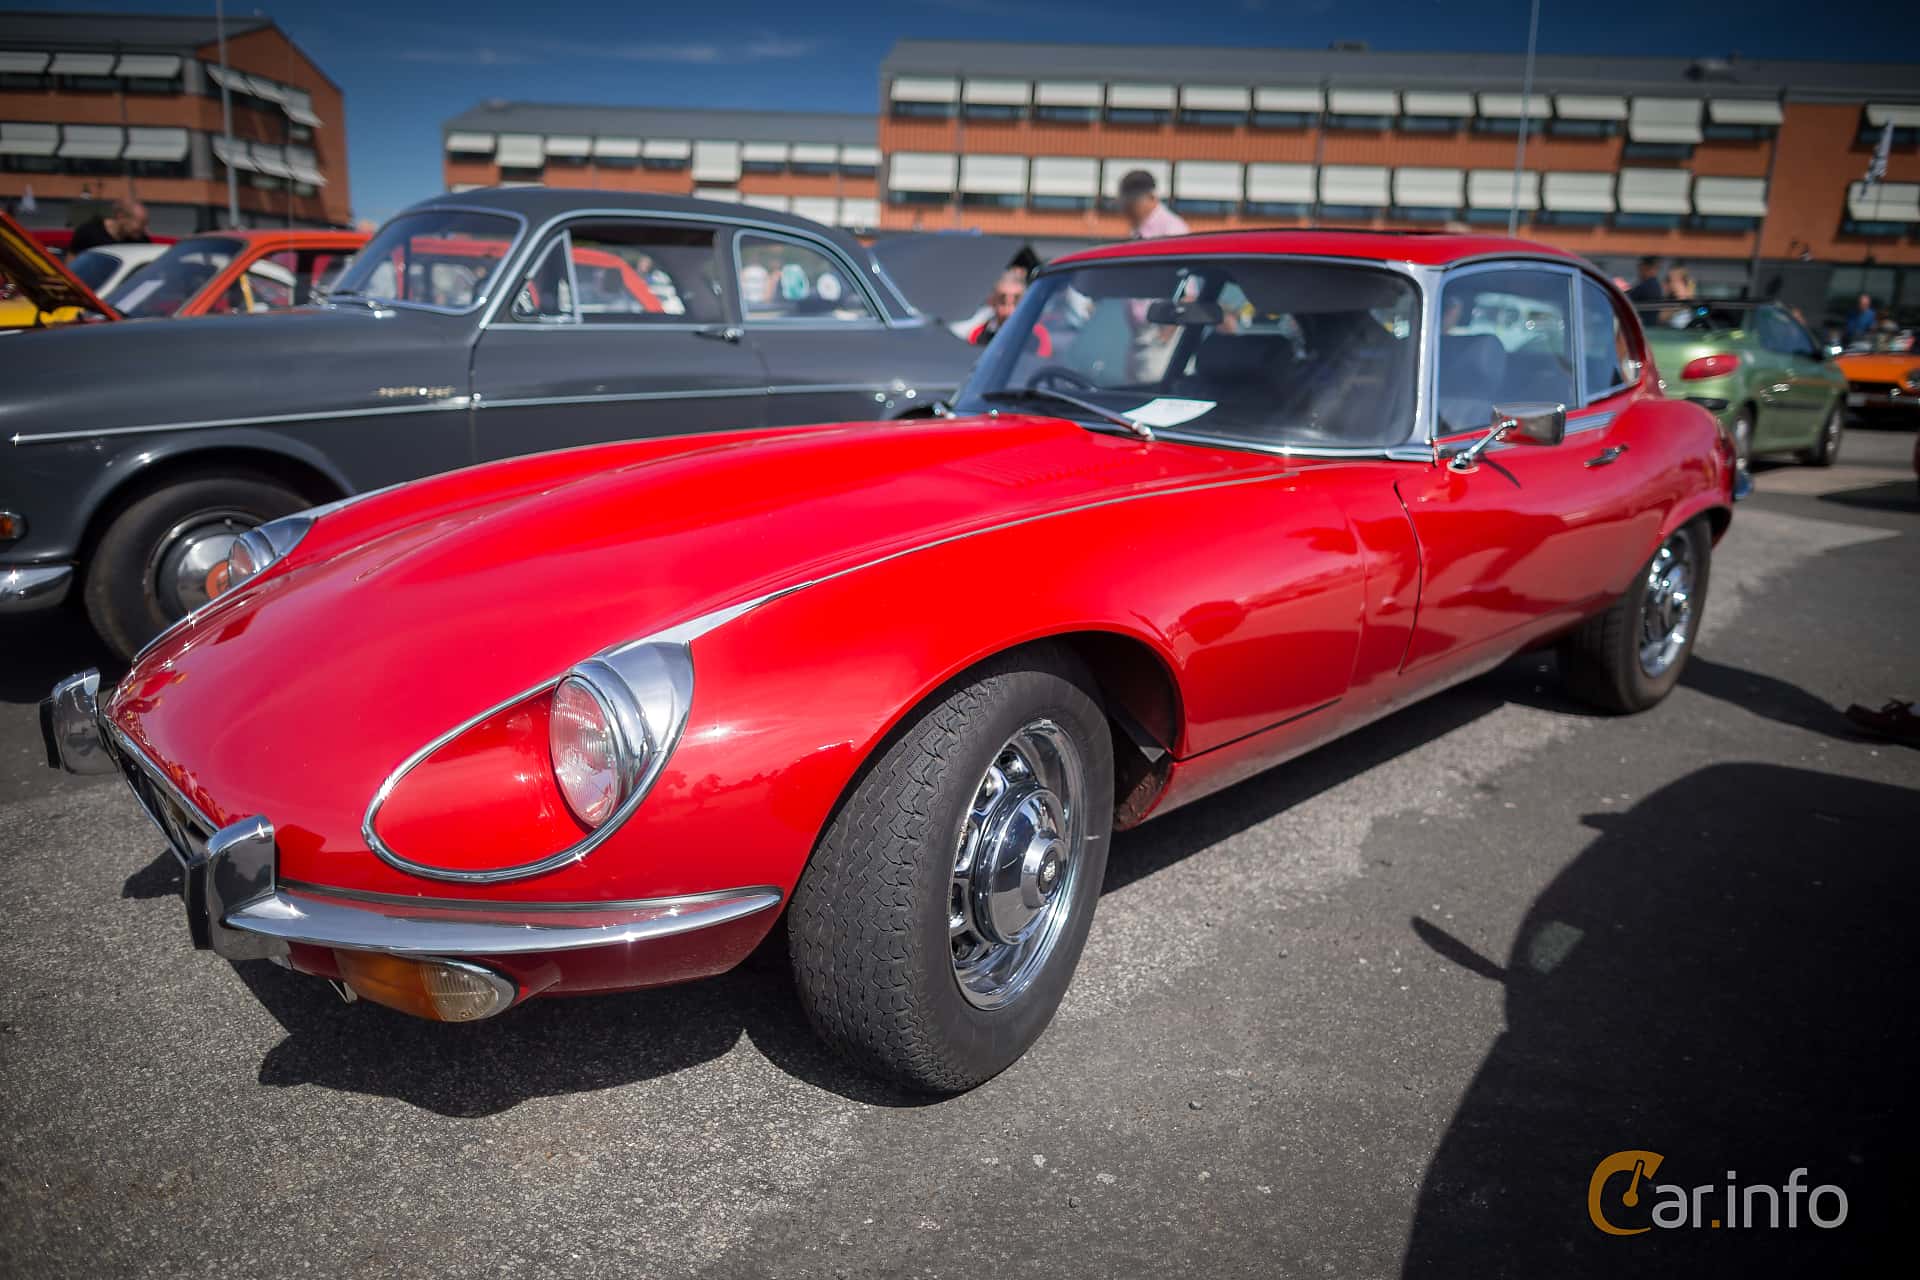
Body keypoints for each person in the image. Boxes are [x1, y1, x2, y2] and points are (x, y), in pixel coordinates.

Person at [969, 268, 1051, 355]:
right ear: (992, 301)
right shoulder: (978, 334)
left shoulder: (1038, 335)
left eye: (1016, 299)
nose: (1009, 308)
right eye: (1002, 300)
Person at [1118, 169, 1188, 240]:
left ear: (1151, 196)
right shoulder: (1139, 224)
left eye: (1133, 203)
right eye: (1125, 204)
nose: (1127, 209)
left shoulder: (1173, 228)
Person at [68, 199, 150, 256]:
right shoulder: (89, 232)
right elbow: (71, 268)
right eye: (141, 223)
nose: (146, 229)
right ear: (121, 217)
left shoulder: (141, 241)